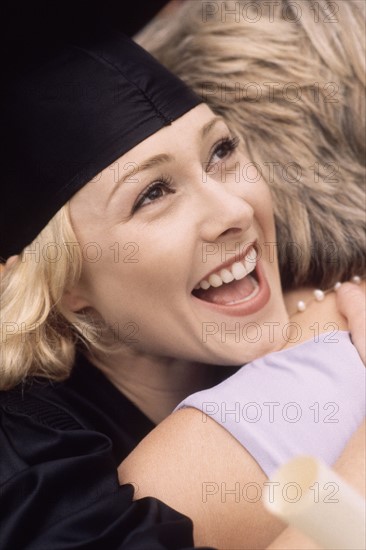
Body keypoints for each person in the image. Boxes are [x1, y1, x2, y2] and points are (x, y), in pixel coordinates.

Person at [0, 16, 364, 550]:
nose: (233, 210)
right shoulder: (28, 471)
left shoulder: (323, 302)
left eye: (220, 151)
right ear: (62, 283)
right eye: (152, 194)